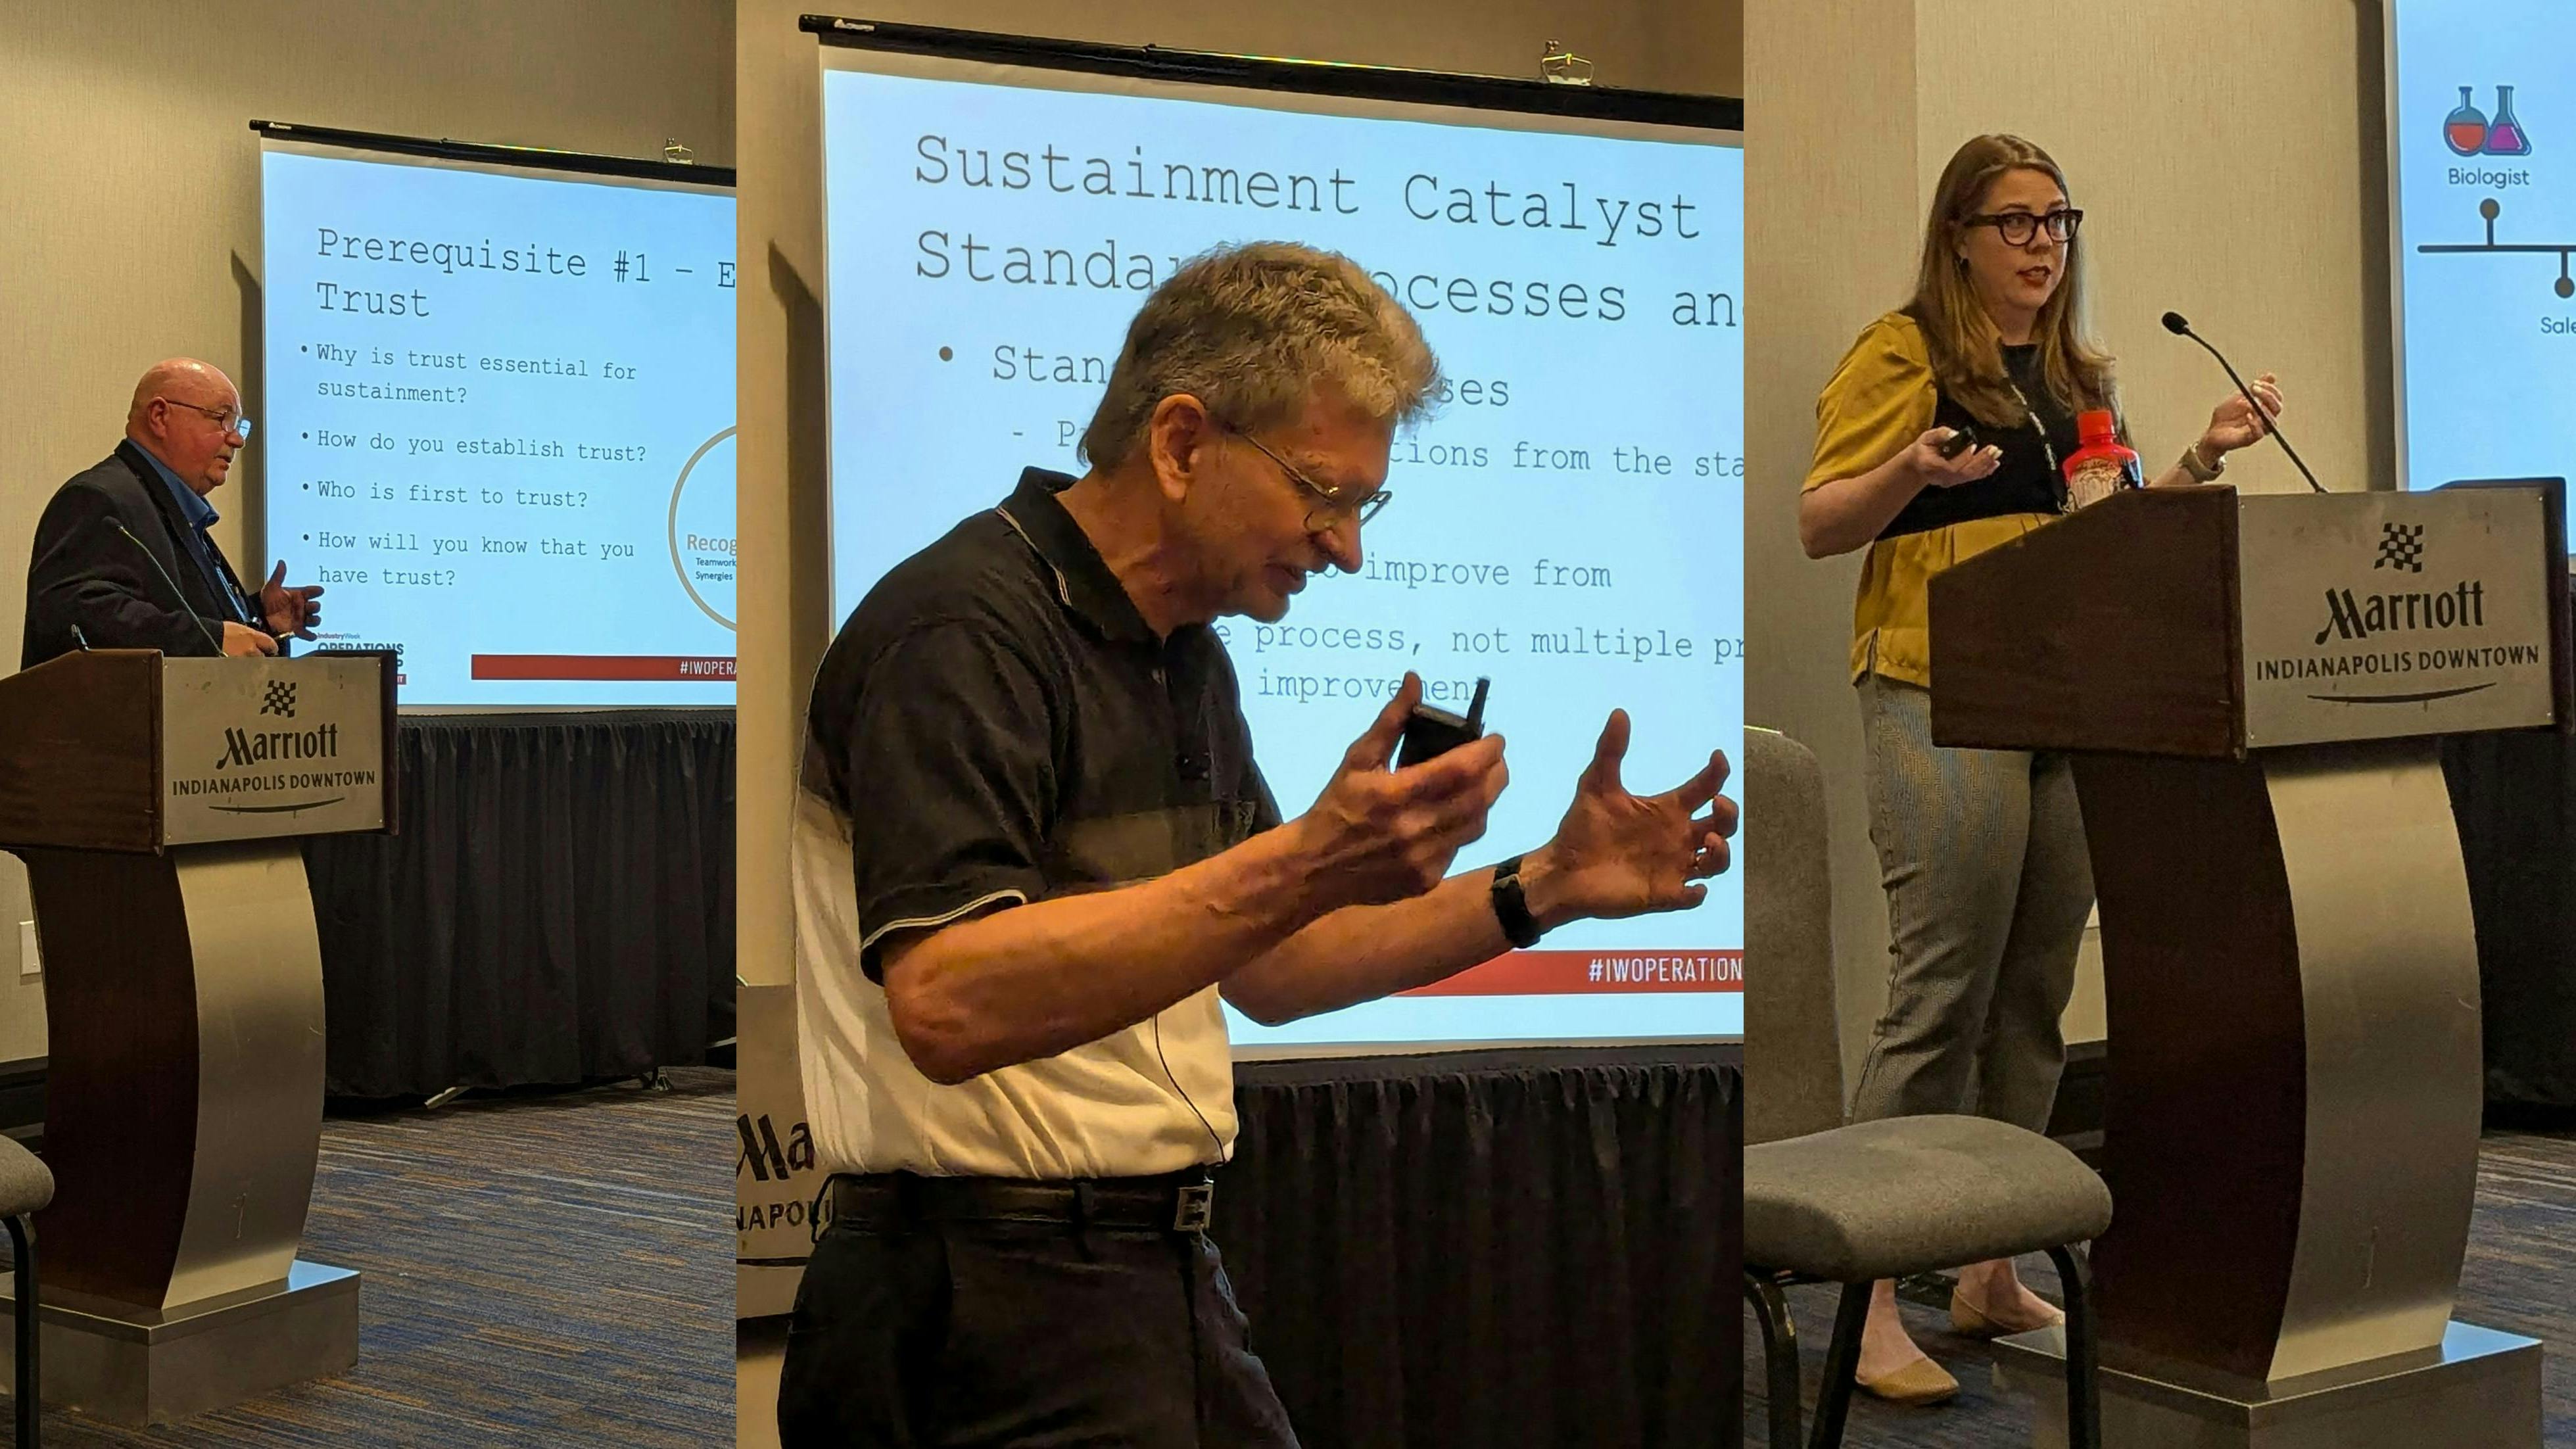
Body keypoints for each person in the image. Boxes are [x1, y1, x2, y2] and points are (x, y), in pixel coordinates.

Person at [779, 241, 1736, 1448]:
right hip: (976, 1298)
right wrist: (1302, 862)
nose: (1345, 546)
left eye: (1361, 506)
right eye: (1321, 493)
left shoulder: (1185, 657)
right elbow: (948, 1002)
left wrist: (1544, 884)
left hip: (1146, 1272)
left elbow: (1274, 966)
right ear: (1181, 442)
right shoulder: (960, 631)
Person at [1798, 134, 2283, 1405]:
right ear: (1956, 238)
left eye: (2056, 219)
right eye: (2011, 221)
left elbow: (2102, 533)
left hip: (2066, 700)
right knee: (1939, 987)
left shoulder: (2079, 376)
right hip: (1937, 691)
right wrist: (1910, 468)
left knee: (2029, 991)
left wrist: (2200, 457)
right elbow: (1817, 521)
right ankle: (1865, 1302)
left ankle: (1987, 1263)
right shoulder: (1901, 353)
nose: (2040, 243)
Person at [22, 358, 323, 669]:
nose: (237, 440)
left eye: (238, 426)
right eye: (222, 418)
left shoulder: (165, 503)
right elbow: (77, 620)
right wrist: (213, 639)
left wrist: (259, 620)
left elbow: (170, 614)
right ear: (160, 416)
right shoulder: (99, 499)